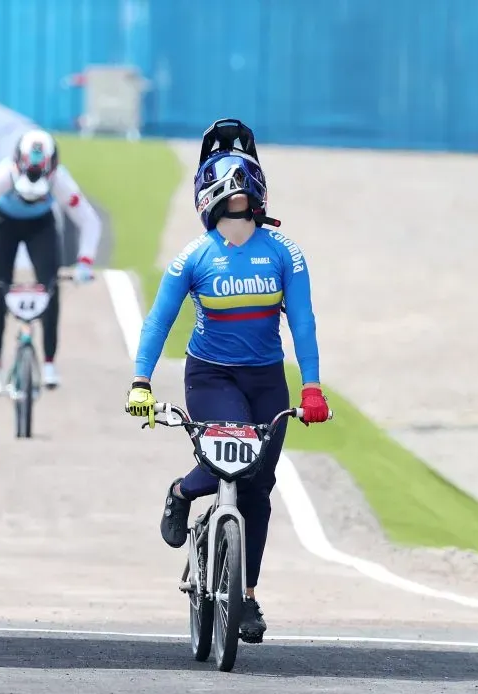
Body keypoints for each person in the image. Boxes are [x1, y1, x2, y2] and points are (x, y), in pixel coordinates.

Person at [124, 119, 331, 644]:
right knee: (234, 454)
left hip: (266, 379)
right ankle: (183, 491)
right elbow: (158, 320)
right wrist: (141, 382)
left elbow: (302, 322)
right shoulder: (192, 258)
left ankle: (247, 598)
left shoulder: (286, 253)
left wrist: (311, 388)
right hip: (211, 376)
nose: (237, 205)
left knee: (259, 488)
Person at [0, 129, 101, 397]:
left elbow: (89, 220)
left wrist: (84, 263)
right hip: (4, 226)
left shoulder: (60, 180)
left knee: (51, 287)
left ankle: (49, 363)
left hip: (41, 227)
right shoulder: (3, 176)